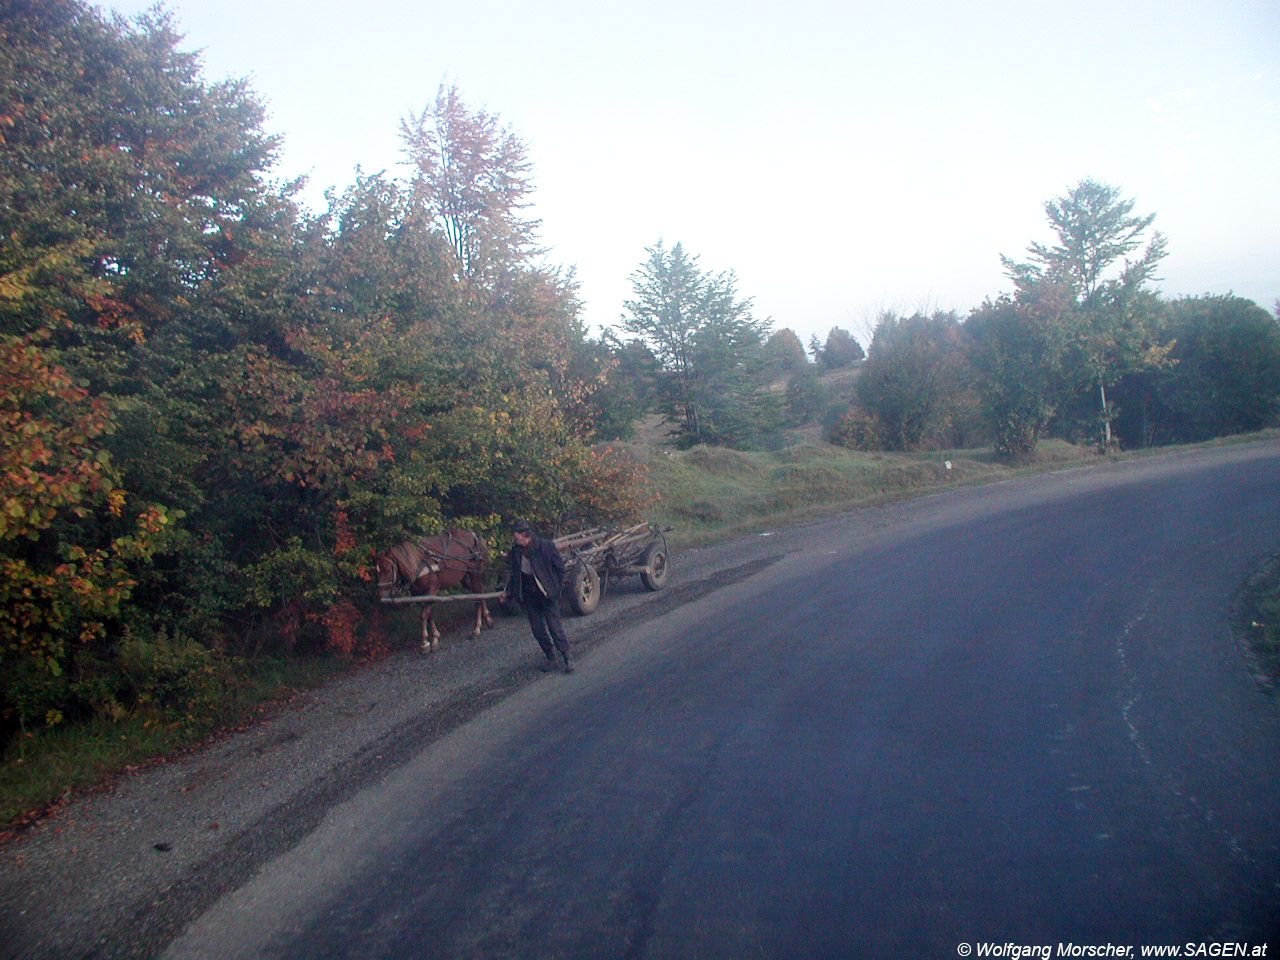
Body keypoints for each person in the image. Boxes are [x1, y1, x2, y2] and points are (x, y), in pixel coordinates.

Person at [502, 519, 575, 673]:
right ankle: (551, 657)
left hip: (547, 593)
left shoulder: (545, 546)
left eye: (516, 535)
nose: (515, 538)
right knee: (537, 630)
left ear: (524, 535)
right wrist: (509, 592)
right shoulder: (516, 551)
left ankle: (567, 657)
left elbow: (560, 569)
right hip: (529, 594)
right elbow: (515, 574)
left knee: (554, 627)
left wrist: (555, 588)